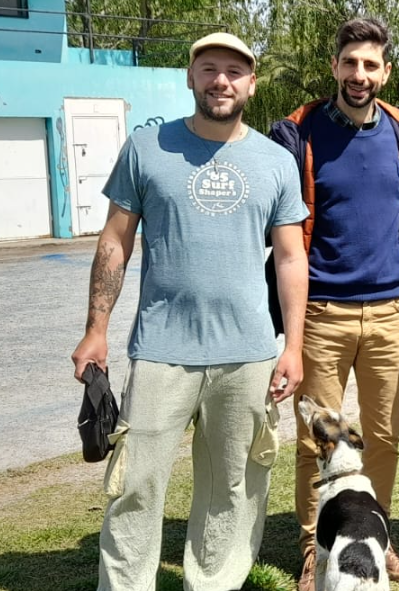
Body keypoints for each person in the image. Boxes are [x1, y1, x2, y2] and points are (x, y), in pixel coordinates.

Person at [70, 32, 309, 591]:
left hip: (248, 354)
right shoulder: (146, 148)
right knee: (135, 485)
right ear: (190, 77)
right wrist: (95, 330)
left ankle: (216, 583)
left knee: (234, 486)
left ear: (251, 83)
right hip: (161, 350)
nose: (220, 80)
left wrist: (292, 347)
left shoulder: (276, 161)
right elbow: (114, 242)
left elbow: (292, 258)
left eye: (233, 70)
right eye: (209, 68)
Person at [268, 17, 399, 591]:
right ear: (335, 66)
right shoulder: (298, 133)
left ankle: (375, 538)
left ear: (385, 71)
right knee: (319, 439)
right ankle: (316, 545)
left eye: (371, 65)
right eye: (350, 63)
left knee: (383, 437)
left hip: (388, 312)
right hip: (320, 314)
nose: (360, 75)